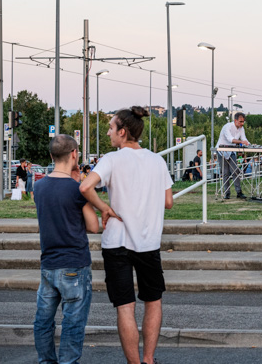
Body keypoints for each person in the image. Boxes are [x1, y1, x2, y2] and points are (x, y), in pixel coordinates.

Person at [79, 106, 173, 364]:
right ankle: (149, 359)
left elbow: (85, 187)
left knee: (125, 306)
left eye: (110, 128)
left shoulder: (112, 159)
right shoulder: (157, 161)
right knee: (153, 301)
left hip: (116, 243)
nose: (108, 132)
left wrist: (105, 208)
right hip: (149, 242)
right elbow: (168, 202)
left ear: (122, 132)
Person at [33, 135, 100, 364]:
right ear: (74, 154)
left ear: (51, 156)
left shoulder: (38, 187)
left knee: (43, 320)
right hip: (74, 263)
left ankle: (46, 361)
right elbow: (93, 226)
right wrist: (82, 187)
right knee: (72, 322)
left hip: (48, 264)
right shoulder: (77, 190)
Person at [216, 112, 250, 200]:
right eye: (240, 121)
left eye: (243, 122)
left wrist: (248, 143)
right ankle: (227, 193)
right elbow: (230, 139)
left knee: (235, 171)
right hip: (222, 151)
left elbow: (244, 138)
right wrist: (242, 142)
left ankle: (239, 192)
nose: (242, 123)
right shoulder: (227, 127)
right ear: (235, 120)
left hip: (231, 151)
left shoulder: (241, 129)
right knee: (225, 173)